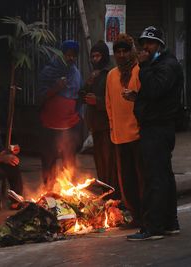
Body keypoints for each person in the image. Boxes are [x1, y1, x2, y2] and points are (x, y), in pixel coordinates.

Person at [127, 26, 183, 241]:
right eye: (144, 44)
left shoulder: (164, 65)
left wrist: (143, 66)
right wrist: (137, 98)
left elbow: (155, 89)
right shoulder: (159, 64)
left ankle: (154, 227)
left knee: (155, 178)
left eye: (150, 44)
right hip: (157, 126)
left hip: (158, 128)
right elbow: (153, 95)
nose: (145, 48)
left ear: (159, 45)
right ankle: (169, 223)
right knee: (163, 176)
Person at [105, 33, 144, 227]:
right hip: (119, 136)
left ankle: (146, 216)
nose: (121, 55)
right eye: (118, 52)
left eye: (125, 51)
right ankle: (136, 215)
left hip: (137, 135)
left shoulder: (140, 71)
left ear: (132, 52)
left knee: (142, 179)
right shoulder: (112, 75)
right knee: (126, 181)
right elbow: (109, 105)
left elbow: (146, 100)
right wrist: (113, 128)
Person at [37, 40, 83, 191]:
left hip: (69, 125)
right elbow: (41, 97)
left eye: (73, 56)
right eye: (67, 55)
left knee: (69, 162)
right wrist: (56, 88)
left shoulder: (75, 74)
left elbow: (78, 97)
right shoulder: (48, 72)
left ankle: (69, 193)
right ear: (61, 54)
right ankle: (48, 193)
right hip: (49, 125)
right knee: (49, 161)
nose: (70, 58)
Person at [79, 40, 119, 198]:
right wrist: (88, 84)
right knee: (100, 163)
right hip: (95, 126)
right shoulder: (93, 75)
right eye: (93, 56)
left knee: (109, 163)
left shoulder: (110, 74)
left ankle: (113, 194)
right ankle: (105, 192)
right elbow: (81, 95)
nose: (95, 59)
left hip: (107, 125)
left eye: (98, 56)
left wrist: (98, 101)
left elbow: (114, 100)